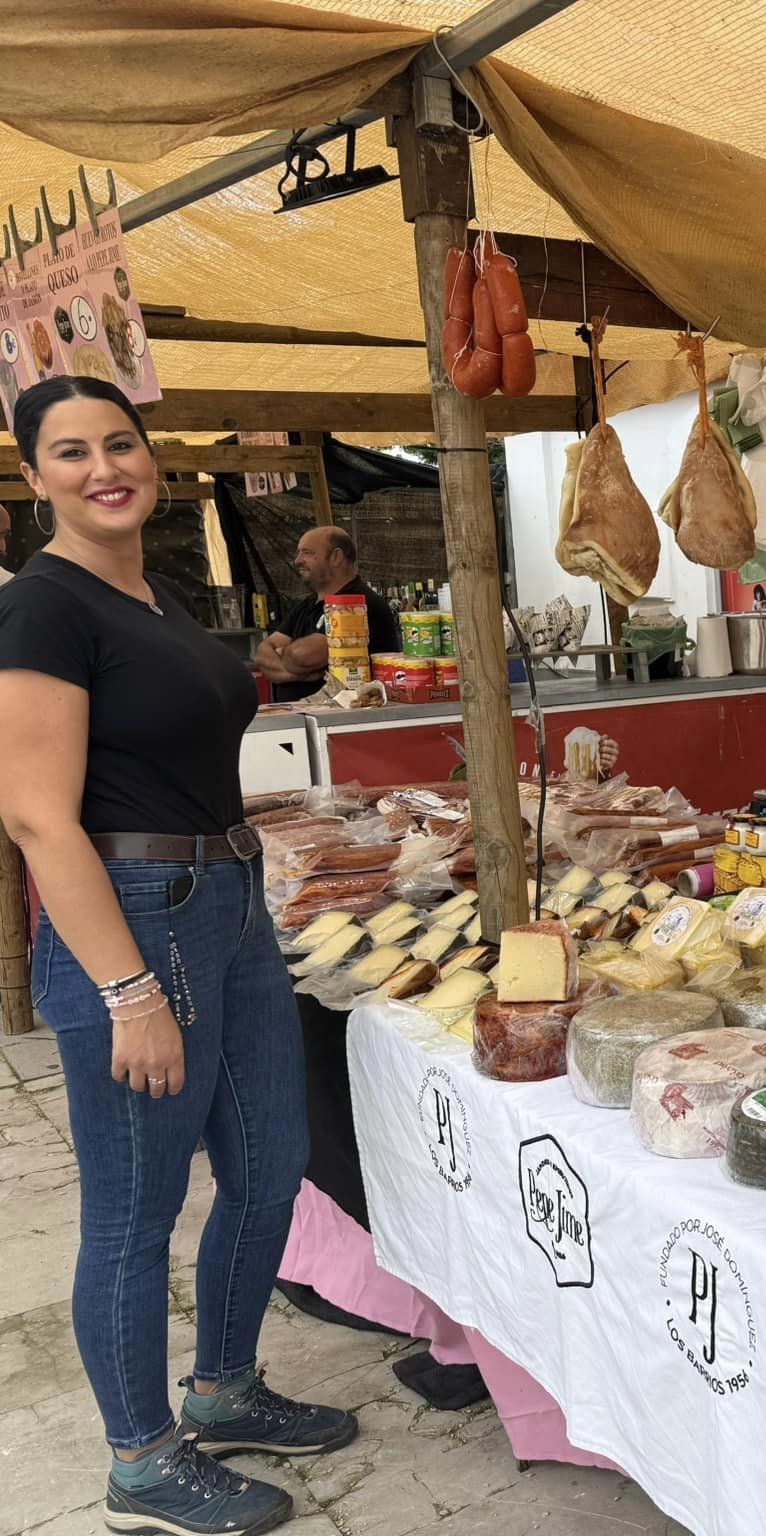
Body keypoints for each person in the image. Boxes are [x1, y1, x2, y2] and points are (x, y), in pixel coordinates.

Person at [0, 376, 355, 1535]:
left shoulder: (151, 590)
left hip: (230, 893)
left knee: (269, 1162)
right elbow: (39, 816)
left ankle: (225, 1385)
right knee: (135, 1208)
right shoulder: (44, 608)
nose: (104, 467)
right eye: (70, 453)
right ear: (34, 475)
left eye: (120, 444)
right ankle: (141, 1461)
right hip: (136, 910)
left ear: (151, 457)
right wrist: (127, 993)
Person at [256, 524, 400, 702]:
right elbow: (262, 653)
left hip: (341, 722)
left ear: (336, 557)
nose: (297, 560)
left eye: (307, 553)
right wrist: (297, 674)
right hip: (302, 720)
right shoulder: (307, 604)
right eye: (299, 552)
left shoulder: (358, 603)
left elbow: (302, 656)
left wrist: (282, 653)